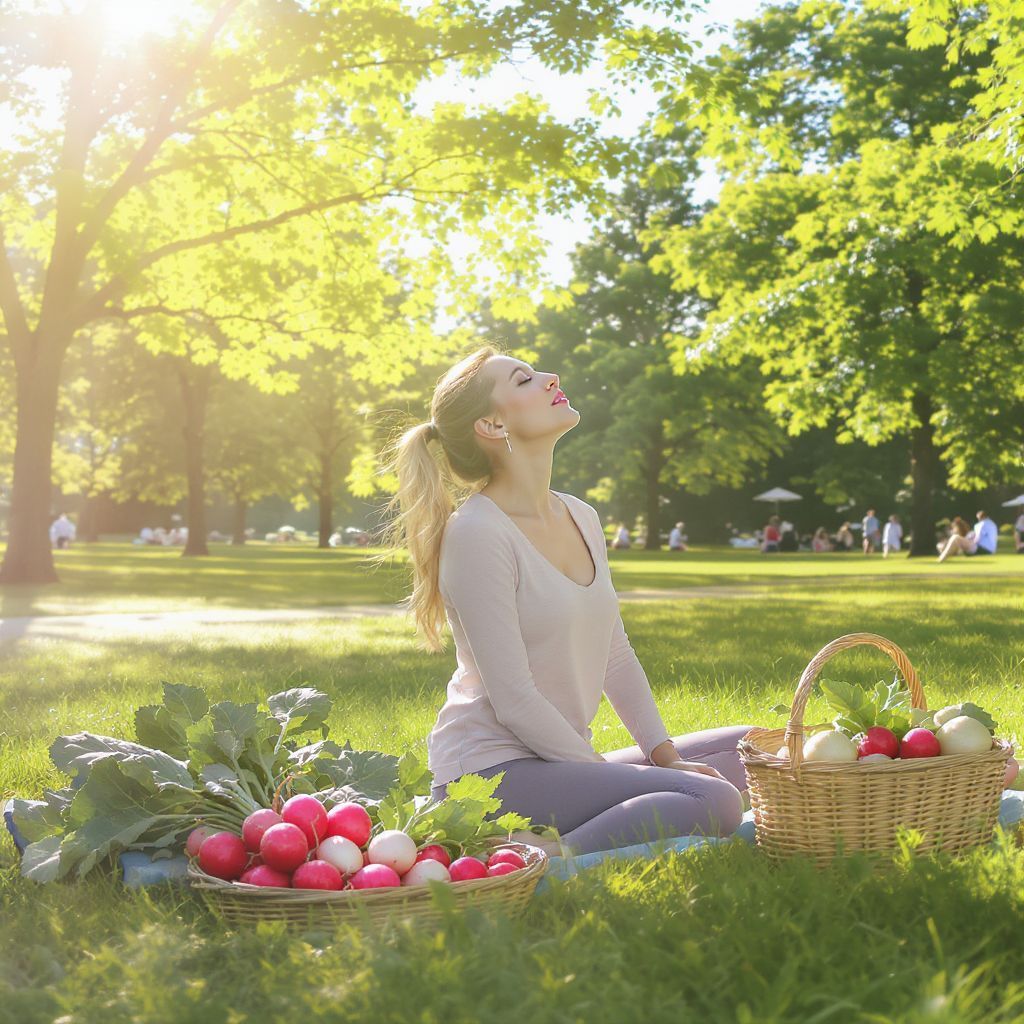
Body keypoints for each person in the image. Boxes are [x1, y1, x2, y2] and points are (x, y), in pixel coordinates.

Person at [372, 345, 756, 857]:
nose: (551, 377)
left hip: (559, 763)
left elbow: (615, 656)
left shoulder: (581, 516)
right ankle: (541, 858)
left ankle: (590, 828)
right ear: (492, 424)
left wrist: (665, 758)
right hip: (489, 777)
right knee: (715, 801)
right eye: (523, 379)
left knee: (751, 748)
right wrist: (610, 779)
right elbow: (514, 699)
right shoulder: (478, 532)